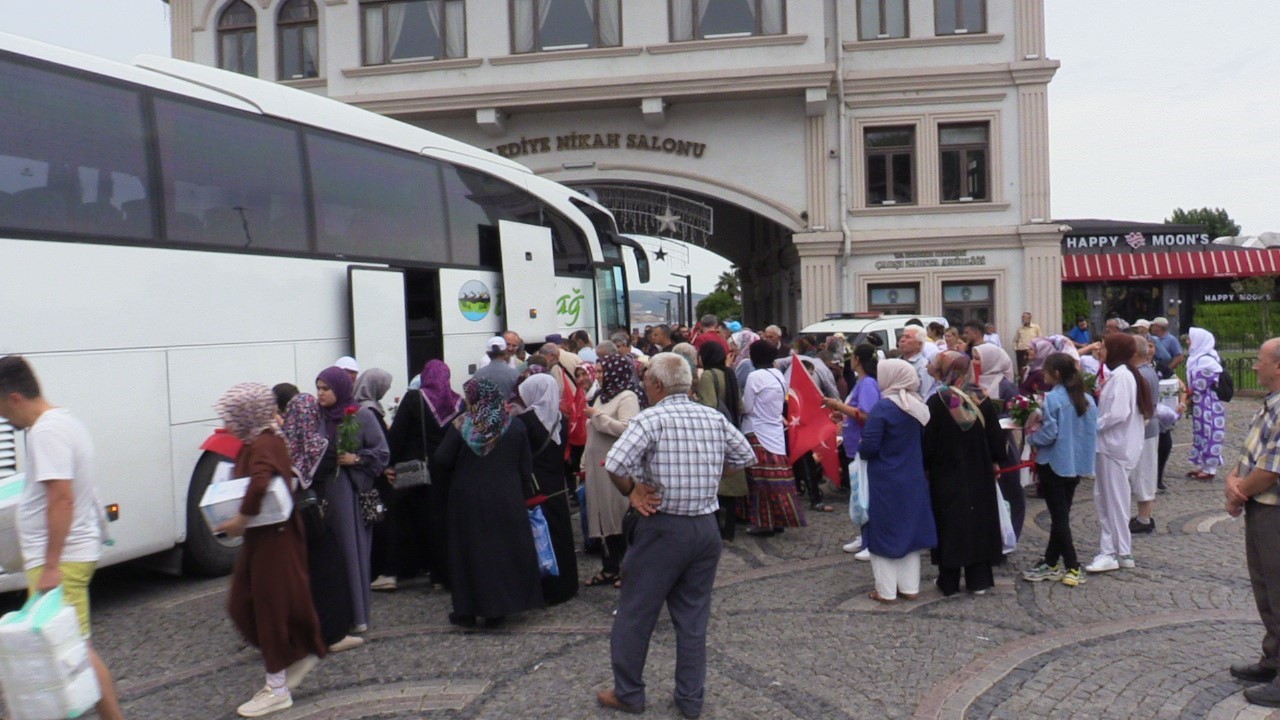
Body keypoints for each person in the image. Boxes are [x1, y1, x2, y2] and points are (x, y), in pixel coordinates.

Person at [596, 353, 755, 718]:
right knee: (693, 619)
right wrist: (712, 471)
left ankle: (629, 693)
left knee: (636, 613)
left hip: (663, 528)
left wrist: (634, 490)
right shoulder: (712, 417)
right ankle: (690, 699)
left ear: (656, 385)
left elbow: (616, 463)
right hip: (705, 528)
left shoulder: (651, 418)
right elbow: (745, 454)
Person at [0, 356, 125, 720]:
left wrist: (52, 564)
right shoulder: (64, 422)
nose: (5, 420)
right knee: (68, 646)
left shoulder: (46, 431)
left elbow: (61, 497)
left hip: (62, 559)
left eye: (1, 408)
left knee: (75, 649)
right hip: (69, 554)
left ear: (15, 398)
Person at [214, 383, 327, 718]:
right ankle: (294, 655)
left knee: (268, 610)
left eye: (231, 416)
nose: (228, 423)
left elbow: (261, 481)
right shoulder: (262, 439)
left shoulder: (263, 442)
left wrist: (240, 519)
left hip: (272, 540)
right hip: (265, 538)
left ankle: (277, 687)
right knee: (246, 604)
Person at [435, 378, 544, 626]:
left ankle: (467, 609)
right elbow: (526, 468)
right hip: (506, 495)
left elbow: (442, 458)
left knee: (469, 552)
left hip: (468, 497)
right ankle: (500, 608)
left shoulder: (462, 425)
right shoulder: (514, 426)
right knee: (502, 551)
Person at [278, 391, 358, 654]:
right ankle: (332, 634)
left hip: (288, 518)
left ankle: (298, 633)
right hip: (316, 517)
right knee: (328, 574)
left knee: (299, 577)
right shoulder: (321, 445)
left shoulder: (281, 444)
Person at [922, 351, 1007, 596]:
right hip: (979, 470)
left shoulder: (938, 401)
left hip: (947, 470)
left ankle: (948, 579)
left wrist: (926, 464)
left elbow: (929, 440)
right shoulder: (981, 397)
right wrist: (996, 460)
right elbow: (994, 434)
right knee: (978, 520)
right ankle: (978, 579)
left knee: (950, 521)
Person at [1224, 337, 1280, 707]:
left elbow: (1272, 468)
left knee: (1279, 591)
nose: (1255, 366)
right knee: (1265, 588)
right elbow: (1252, 451)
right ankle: (1274, 658)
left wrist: (1239, 490)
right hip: (1260, 505)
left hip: (1273, 508)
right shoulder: (1271, 404)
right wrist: (1234, 480)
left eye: (1261, 361)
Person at [314, 366, 389, 634]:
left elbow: (381, 453)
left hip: (349, 495)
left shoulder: (361, 416)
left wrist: (355, 459)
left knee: (350, 552)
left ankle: (356, 616)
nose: (321, 394)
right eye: (319, 389)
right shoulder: (318, 418)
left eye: (326, 389)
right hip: (323, 496)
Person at [857, 359, 936, 603]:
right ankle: (910, 588)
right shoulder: (917, 406)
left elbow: (869, 446)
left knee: (883, 531)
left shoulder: (884, 408)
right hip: (912, 477)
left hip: (885, 479)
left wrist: (861, 448)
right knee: (909, 531)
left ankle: (886, 590)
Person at [382, 360, 463, 592]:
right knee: (446, 521)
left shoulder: (414, 399)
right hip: (448, 470)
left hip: (416, 471)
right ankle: (444, 573)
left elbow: (397, 435)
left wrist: (390, 464)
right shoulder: (458, 402)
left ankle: (416, 567)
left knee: (417, 518)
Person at [1021, 354, 1098, 588]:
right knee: (1061, 514)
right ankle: (1051, 562)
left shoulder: (1053, 399)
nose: (1043, 376)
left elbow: (1049, 434)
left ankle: (1073, 565)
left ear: (1055, 374)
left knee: (1059, 516)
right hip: (1075, 464)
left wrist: (1031, 436)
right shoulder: (1087, 399)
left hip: (1053, 463)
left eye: (1045, 372)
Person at [1085, 333, 1151, 574]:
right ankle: (1116, 550)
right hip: (1112, 446)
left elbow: (1119, 413)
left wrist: (1093, 425)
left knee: (1113, 501)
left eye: (1104, 347)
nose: (1100, 351)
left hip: (1115, 446)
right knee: (1105, 499)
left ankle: (1115, 551)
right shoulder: (1119, 375)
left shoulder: (1123, 376)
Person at [515, 373, 579, 604]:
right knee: (561, 534)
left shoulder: (525, 421)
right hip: (557, 484)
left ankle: (546, 589)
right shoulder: (560, 419)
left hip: (535, 485)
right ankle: (567, 584)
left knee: (540, 535)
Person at [582, 354, 642, 587]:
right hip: (597, 469)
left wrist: (598, 417)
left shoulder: (627, 396)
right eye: (596, 372)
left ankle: (627, 569)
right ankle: (609, 567)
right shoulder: (601, 395)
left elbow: (628, 428)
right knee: (601, 515)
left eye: (601, 372)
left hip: (615, 468)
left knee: (618, 516)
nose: (597, 376)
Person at [741, 340, 807, 535]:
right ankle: (779, 519)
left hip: (757, 431)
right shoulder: (778, 375)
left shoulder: (755, 377)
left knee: (759, 480)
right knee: (779, 478)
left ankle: (763, 522)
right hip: (775, 431)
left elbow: (748, 407)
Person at [824, 344, 881, 558]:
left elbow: (866, 414)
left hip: (862, 445)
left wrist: (838, 406)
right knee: (859, 494)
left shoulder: (867, 384)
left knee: (865, 494)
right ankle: (864, 534)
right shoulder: (861, 382)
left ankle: (871, 539)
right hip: (853, 445)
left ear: (857, 359)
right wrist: (843, 414)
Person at [695, 340, 746, 541]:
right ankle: (729, 531)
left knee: (715, 484)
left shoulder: (708, 375)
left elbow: (709, 405)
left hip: (714, 434)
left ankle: (715, 531)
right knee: (730, 486)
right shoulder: (729, 373)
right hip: (732, 430)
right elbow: (740, 406)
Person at [1128, 337, 1161, 535]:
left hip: (1145, 429)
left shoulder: (1142, 375)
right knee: (1143, 471)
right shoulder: (1145, 372)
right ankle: (1144, 515)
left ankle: (1144, 518)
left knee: (1143, 473)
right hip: (1146, 428)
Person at [1186, 326, 1226, 480]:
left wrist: (1188, 392)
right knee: (1201, 432)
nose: (1188, 342)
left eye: (1191, 339)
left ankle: (1210, 468)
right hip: (1201, 402)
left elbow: (1201, 384)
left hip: (1208, 402)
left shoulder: (1206, 361)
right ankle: (1203, 464)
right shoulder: (1198, 357)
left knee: (1209, 431)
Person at [898, 326, 936, 398]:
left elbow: (926, 395)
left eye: (908, 337)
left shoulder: (924, 366)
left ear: (919, 344)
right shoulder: (896, 362)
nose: (902, 340)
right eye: (902, 337)